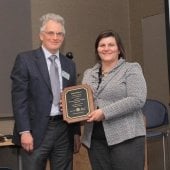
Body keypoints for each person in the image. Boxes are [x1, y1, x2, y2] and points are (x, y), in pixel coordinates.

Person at [11, 13, 81, 170]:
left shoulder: (69, 64)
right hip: (35, 132)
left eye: (59, 33)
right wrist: (24, 131)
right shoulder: (25, 60)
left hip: (64, 130)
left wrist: (76, 132)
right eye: (50, 33)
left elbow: (73, 99)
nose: (55, 37)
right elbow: (19, 99)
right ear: (41, 35)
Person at [81, 30, 147, 170]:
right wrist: (70, 108)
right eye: (102, 45)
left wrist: (104, 112)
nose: (106, 48)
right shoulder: (89, 73)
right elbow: (84, 101)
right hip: (95, 140)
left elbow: (137, 99)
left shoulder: (131, 69)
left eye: (111, 44)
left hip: (126, 138)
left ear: (119, 49)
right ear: (97, 49)